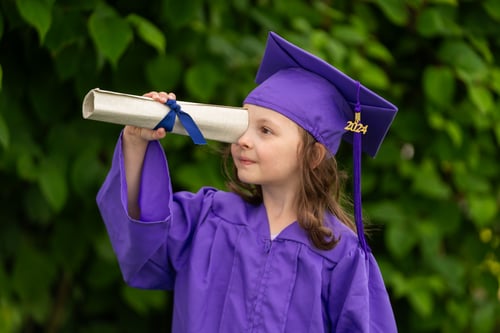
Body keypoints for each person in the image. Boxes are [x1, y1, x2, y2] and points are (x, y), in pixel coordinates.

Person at [97, 31, 398, 332]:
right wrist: (136, 142)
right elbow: (143, 245)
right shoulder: (208, 217)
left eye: (265, 131)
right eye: (244, 124)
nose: (243, 140)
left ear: (314, 155)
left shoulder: (339, 253)